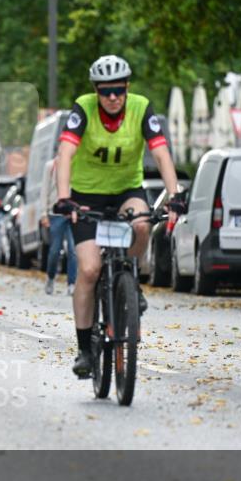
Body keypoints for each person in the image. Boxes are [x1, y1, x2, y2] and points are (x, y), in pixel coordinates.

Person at [52, 55, 183, 379]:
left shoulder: (141, 107)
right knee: (89, 269)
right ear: (96, 90)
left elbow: (160, 153)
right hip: (85, 196)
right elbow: (65, 153)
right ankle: (85, 349)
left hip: (126, 190)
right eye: (105, 91)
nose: (113, 97)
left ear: (127, 87)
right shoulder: (83, 109)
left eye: (118, 91)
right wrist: (64, 198)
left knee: (142, 224)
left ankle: (130, 280)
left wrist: (175, 194)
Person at [40, 160, 77, 295]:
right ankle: (50, 277)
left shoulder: (78, 164)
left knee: (73, 250)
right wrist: (43, 213)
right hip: (55, 214)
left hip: (73, 214)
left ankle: (72, 283)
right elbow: (44, 190)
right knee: (55, 250)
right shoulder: (51, 166)